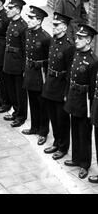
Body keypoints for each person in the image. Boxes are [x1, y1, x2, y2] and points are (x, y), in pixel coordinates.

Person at [63, 24, 98, 180]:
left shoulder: (93, 61)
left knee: (84, 133)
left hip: (85, 102)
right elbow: (70, 77)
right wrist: (67, 94)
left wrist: (91, 109)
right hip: (74, 98)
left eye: (81, 38)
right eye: (77, 37)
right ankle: (76, 158)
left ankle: (84, 163)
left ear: (89, 40)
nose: (77, 40)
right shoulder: (76, 54)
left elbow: (93, 88)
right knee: (75, 129)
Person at [41, 12, 75, 161]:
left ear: (64, 27)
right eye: (53, 25)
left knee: (62, 119)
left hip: (61, 86)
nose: (53, 27)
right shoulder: (53, 41)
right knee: (53, 116)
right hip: (50, 83)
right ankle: (56, 141)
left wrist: (66, 92)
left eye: (56, 25)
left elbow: (69, 72)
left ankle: (63, 146)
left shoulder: (69, 47)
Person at [21, 6, 51, 146]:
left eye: (32, 18)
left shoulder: (46, 38)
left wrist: (41, 64)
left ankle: (43, 132)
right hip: (30, 72)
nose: (29, 20)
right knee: (32, 100)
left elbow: (50, 60)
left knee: (42, 104)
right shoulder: (28, 33)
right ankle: (34, 127)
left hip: (41, 74)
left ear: (39, 21)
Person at [2, 0, 28, 128]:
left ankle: (21, 116)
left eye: (11, 8)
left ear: (18, 10)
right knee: (11, 90)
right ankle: (15, 111)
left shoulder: (23, 27)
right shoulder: (11, 23)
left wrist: (24, 68)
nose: (8, 9)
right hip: (9, 61)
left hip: (18, 63)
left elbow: (25, 49)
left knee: (20, 92)